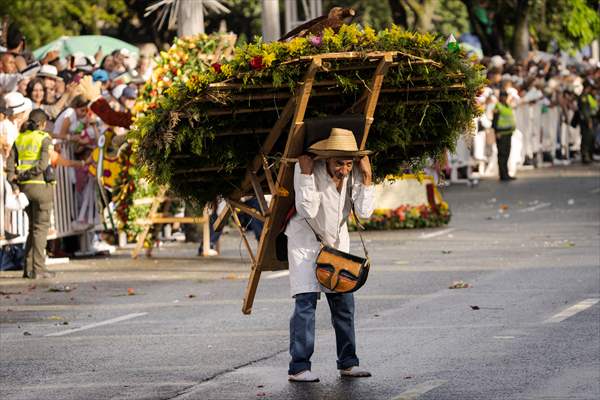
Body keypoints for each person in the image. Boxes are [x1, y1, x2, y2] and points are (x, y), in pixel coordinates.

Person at [285, 127, 375, 382]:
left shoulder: (355, 171)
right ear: (326, 158)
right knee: (305, 302)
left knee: (344, 303)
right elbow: (307, 210)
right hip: (305, 242)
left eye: (349, 163)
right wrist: (304, 174)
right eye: (339, 163)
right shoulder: (307, 168)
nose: (344, 170)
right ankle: (299, 367)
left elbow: (365, 213)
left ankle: (348, 362)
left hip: (337, 243)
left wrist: (366, 176)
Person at [6, 109, 55, 279]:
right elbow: (42, 165)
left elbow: (10, 165)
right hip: (41, 187)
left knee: (32, 229)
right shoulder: (44, 138)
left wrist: (16, 181)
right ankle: (39, 268)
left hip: (25, 190)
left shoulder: (19, 138)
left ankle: (28, 269)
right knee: (40, 230)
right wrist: (24, 175)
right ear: (42, 123)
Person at [493, 90, 516, 181]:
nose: (504, 98)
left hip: (508, 133)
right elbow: (495, 121)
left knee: (506, 154)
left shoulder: (507, 106)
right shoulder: (498, 106)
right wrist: (496, 132)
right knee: (502, 155)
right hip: (501, 134)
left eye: (505, 96)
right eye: (502, 96)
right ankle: (503, 175)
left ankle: (506, 173)